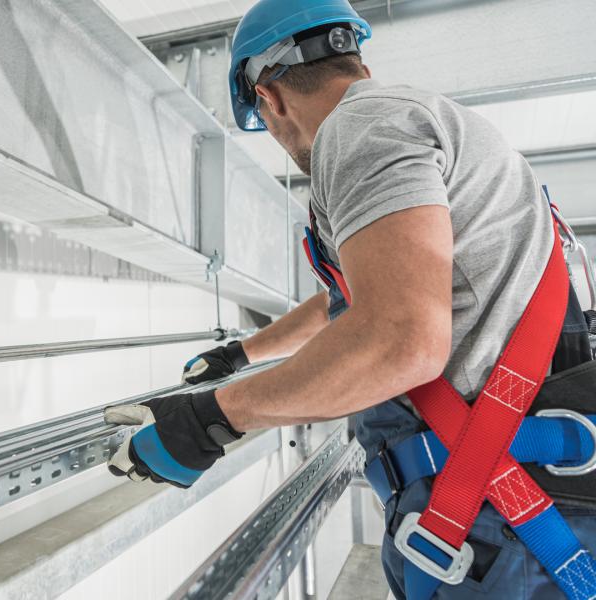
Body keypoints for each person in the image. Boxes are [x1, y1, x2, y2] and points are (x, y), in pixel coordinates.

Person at [104, 1, 596, 598]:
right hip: (511, 512)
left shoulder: (359, 129)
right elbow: (354, 299)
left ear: (270, 99)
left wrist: (211, 419)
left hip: (502, 523)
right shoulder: (421, 124)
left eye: (267, 121)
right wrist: (241, 354)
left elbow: (399, 340)